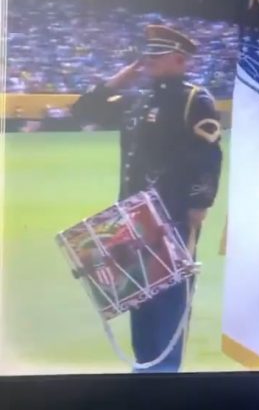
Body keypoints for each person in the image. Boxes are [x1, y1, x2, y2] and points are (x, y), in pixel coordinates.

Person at [72, 25, 223, 373]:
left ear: (180, 60)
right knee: (138, 298)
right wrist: (117, 81)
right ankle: (145, 371)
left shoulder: (193, 99)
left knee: (169, 300)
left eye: (157, 55)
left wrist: (199, 204)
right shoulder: (140, 100)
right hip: (132, 218)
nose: (148, 61)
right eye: (148, 55)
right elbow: (83, 112)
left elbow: (208, 156)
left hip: (170, 217)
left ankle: (164, 374)